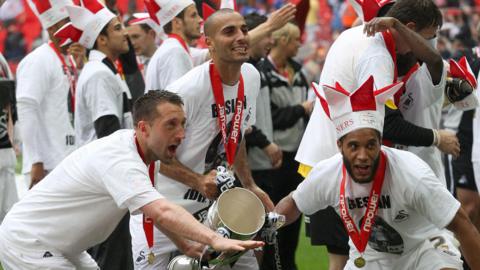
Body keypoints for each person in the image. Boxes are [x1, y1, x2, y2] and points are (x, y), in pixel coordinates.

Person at [0, 90, 264, 270]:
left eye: (183, 123)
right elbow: (161, 211)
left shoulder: (145, 153)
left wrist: (186, 245)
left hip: (61, 244)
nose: (182, 134)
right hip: (30, 241)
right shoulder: (121, 158)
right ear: (143, 128)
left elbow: (154, 207)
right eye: (171, 124)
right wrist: (214, 239)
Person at [295, 1, 459, 269]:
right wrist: (437, 138)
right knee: (348, 257)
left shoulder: (359, 38)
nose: (426, 46)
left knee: (351, 257)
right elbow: (388, 124)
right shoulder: (377, 53)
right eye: (426, 38)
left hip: (334, 158)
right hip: (341, 165)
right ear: (410, 29)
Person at [275, 76, 480, 270]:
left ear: (380, 143)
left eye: (371, 145)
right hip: (369, 255)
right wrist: (268, 224)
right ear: (340, 145)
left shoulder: (411, 172)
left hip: (423, 248)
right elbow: (294, 203)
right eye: (354, 146)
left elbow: (462, 224)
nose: (363, 155)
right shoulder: (328, 172)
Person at [130, 9, 273, 270]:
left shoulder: (251, 77)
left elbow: (236, 134)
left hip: (215, 208)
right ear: (209, 43)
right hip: (167, 210)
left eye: (243, 29)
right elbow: (147, 154)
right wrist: (197, 180)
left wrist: (249, 184)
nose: (241, 36)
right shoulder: (187, 91)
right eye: (229, 31)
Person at [54, 1, 136, 268]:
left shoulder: (105, 70)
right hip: (105, 182)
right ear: (101, 39)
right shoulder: (100, 74)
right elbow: (108, 132)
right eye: (117, 28)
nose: (125, 33)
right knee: (113, 258)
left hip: (104, 180)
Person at [255, 22, 312, 270]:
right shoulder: (262, 73)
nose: (300, 44)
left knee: (294, 214)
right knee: (271, 217)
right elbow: (270, 118)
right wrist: (300, 109)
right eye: (296, 39)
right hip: (272, 158)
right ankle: (270, 265)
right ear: (283, 40)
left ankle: (288, 264)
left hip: (296, 157)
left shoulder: (300, 72)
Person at [16, 0, 81, 189]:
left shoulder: (68, 60)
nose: (74, 29)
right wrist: (35, 160)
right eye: (68, 24)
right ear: (53, 28)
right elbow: (26, 108)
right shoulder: (38, 60)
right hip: (46, 166)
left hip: (67, 159)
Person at [144, 0, 206, 91]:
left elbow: (206, 55)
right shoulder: (174, 51)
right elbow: (177, 99)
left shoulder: (174, 47)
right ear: (177, 23)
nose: (200, 20)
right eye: (193, 15)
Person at [0, 52, 17, 223]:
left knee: (9, 220)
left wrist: (15, 139)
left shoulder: (2, 59)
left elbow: (11, 103)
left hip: (5, 151)